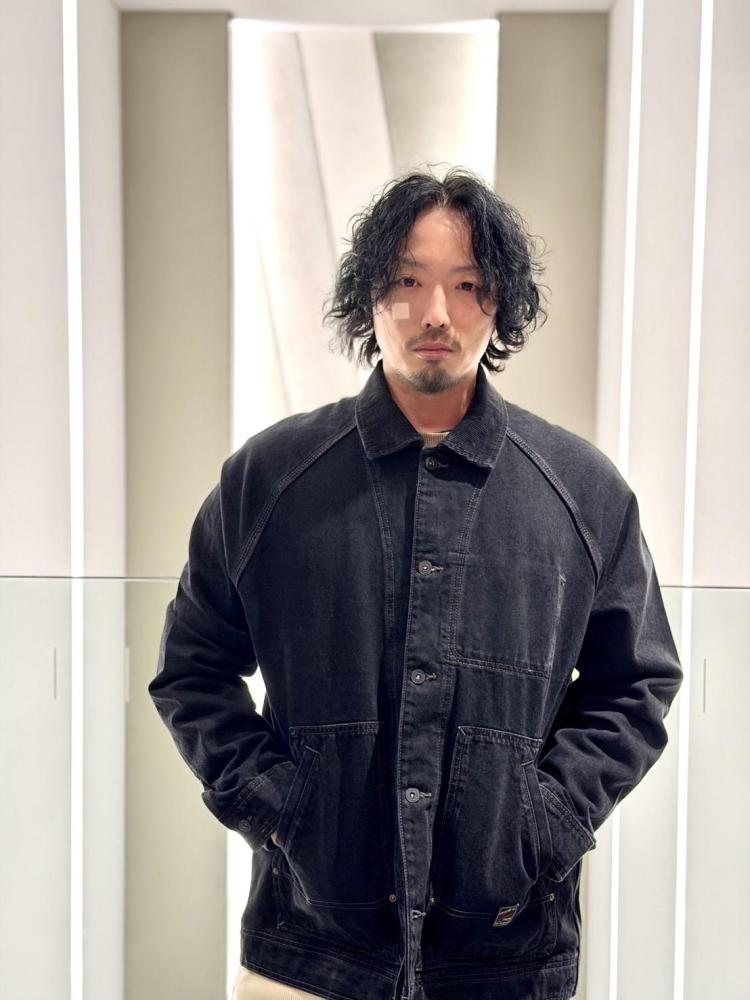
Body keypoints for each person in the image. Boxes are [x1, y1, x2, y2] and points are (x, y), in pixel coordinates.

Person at [149, 167, 683, 1000]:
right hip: (309, 948)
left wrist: (545, 823)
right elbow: (192, 670)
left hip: (508, 952)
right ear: (369, 296)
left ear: (500, 304)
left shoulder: (582, 491)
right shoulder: (268, 478)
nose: (436, 312)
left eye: (467, 285)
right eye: (407, 281)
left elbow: (637, 682)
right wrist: (279, 809)